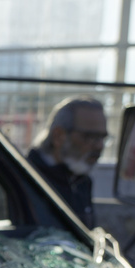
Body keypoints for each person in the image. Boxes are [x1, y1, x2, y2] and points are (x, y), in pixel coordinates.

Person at [27, 96, 108, 229]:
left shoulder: (82, 181)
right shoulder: (27, 177)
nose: (99, 146)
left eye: (103, 138)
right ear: (59, 136)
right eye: (90, 137)